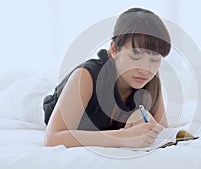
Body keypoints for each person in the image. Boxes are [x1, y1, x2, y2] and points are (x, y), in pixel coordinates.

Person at [43, 7, 171, 148]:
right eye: (135, 56)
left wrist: (145, 119)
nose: (145, 70)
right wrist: (124, 136)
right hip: (45, 106)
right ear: (114, 49)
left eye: (154, 60)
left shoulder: (150, 79)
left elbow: (165, 133)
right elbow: (52, 139)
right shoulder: (86, 76)